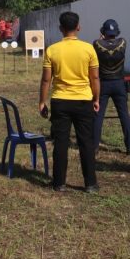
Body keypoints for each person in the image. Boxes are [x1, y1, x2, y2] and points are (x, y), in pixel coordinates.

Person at [38, 11, 100, 193]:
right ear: (78, 27)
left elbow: (45, 80)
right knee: (86, 143)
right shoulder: (88, 49)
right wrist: (96, 98)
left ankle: (59, 182)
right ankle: (90, 184)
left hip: (60, 101)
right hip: (83, 100)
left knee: (61, 142)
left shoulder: (52, 50)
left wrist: (42, 101)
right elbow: (95, 78)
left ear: (60, 29)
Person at [93, 19, 130, 155]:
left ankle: (94, 147)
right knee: (124, 115)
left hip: (104, 83)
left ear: (103, 32)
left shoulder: (97, 44)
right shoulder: (123, 42)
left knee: (98, 115)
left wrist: (101, 37)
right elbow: (113, 43)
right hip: (119, 83)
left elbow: (99, 43)